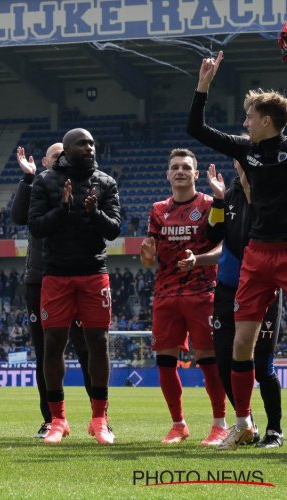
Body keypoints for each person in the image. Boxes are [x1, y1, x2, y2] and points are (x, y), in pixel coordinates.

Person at [188, 50, 287, 449]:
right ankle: (245, 424)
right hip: (257, 255)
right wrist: (203, 86)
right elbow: (196, 128)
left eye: (249, 117)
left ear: (267, 121)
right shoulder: (245, 149)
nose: (244, 123)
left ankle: (274, 427)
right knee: (241, 344)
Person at [28, 128, 121, 445]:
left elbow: (114, 230)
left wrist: (93, 212)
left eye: (93, 143)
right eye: (83, 143)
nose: (90, 147)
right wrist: (63, 209)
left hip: (94, 272)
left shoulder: (106, 183)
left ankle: (100, 419)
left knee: (98, 342)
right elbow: (37, 228)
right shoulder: (44, 181)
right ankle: (57, 420)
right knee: (53, 343)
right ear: (66, 150)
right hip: (55, 274)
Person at [140, 148, 227, 446]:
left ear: (195, 173)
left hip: (202, 292)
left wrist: (198, 260)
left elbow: (222, 249)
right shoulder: (157, 209)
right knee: (165, 361)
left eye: (185, 167)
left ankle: (220, 425)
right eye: (175, 167)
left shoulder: (207, 205)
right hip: (165, 294)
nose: (180, 171)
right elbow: (150, 260)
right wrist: (147, 257)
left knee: (208, 359)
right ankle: (178, 425)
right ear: (167, 174)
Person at [10, 143, 96, 439]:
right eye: (55, 154)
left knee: (87, 350)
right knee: (46, 352)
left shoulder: (85, 184)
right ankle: (51, 420)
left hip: (78, 277)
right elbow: (18, 217)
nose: (61, 158)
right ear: (45, 161)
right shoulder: (38, 186)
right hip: (40, 280)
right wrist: (28, 179)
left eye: (65, 154)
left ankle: (99, 418)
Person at [206, 161, 283, 448]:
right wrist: (217, 199)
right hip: (228, 290)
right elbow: (212, 235)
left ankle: (274, 431)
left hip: (263, 289)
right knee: (225, 361)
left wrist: (254, 195)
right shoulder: (229, 195)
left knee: (262, 365)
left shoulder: (272, 191)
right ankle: (245, 425)